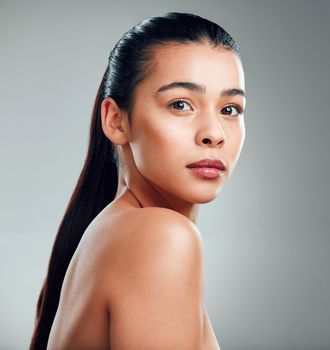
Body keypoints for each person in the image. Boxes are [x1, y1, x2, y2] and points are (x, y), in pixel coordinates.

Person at [29, 11, 246, 350]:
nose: (213, 134)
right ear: (116, 120)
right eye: (180, 104)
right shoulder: (159, 236)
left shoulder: (115, 233)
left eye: (230, 109)